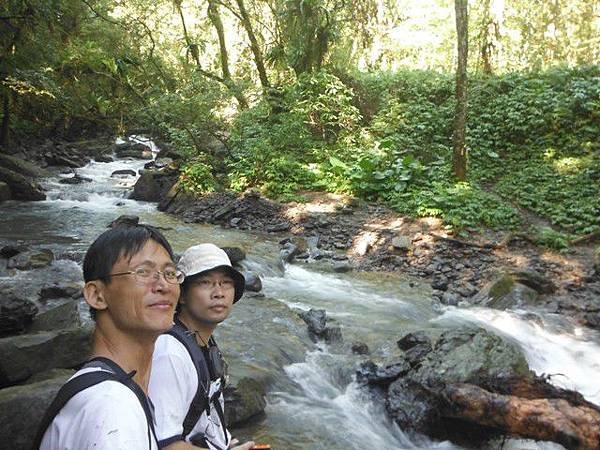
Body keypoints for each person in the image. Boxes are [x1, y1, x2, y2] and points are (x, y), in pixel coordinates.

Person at [34, 224, 182, 450]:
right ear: (96, 295)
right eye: (143, 272)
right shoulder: (113, 408)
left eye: (170, 273)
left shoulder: (112, 388)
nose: (163, 285)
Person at [149, 243, 255, 450]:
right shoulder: (170, 354)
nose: (219, 293)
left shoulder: (204, 342)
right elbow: (165, 445)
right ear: (183, 295)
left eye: (226, 283)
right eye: (206, 283)